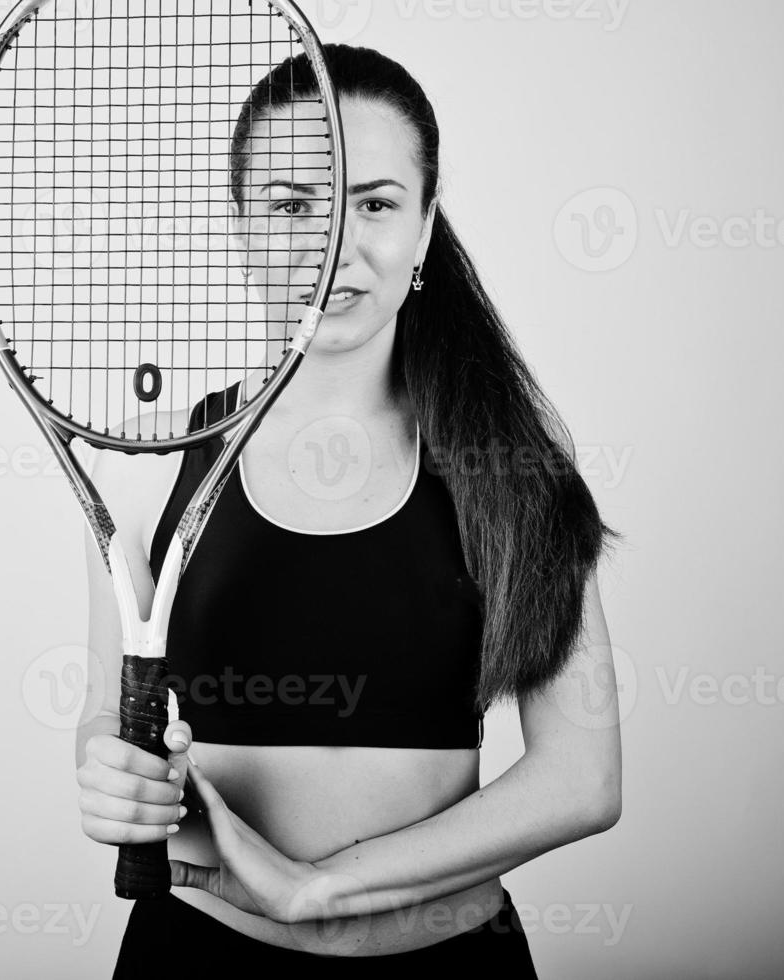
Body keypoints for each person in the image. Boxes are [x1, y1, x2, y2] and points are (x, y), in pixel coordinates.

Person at [74, 44, 624, 976]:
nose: (333, 244)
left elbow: (583, 779)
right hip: (197, 957)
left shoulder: (509, 470)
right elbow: (102, 719)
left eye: (373, 203)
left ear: (422, 229)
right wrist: (107, 778)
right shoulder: (144, 463)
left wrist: (319, 886)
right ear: (242, 224)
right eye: (292, 206)